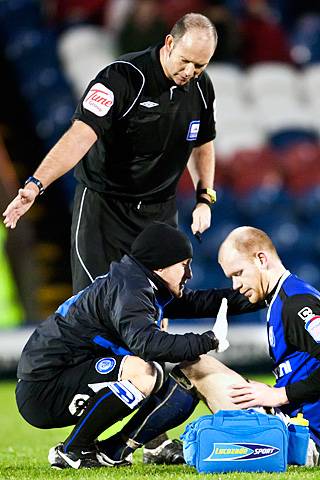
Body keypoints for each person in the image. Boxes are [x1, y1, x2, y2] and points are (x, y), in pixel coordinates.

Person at [15, 222, 261, 470]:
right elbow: (149, 345)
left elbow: (199, 302)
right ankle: (73, 450)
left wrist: (262, 293)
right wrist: (209, 340)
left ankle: (114, 449)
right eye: (184, 266)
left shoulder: (138, 280)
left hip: (60, 375)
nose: (190, 274)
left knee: (165, 377)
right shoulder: (130, 290)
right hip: (45, 388)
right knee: (145, 372)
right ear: (161, 265)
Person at [3, 12, 218, 294]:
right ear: (169, 43)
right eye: (185, 61)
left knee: (157, 313)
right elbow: (80, 136)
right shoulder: (121, 78)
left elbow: (201, 142)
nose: (190, 72)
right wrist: (36, 184)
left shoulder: (201, 88)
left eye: (199, 65)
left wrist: (204, 197)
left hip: (159, 214)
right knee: (96, 309)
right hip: (105, 211)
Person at [217, 226, 320, 459]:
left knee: (197, 368)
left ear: (261, 259)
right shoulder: (281, 297)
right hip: (294, 422)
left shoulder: (295, 304)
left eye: (238, 273)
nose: (235, 285)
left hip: (306, 438)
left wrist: (282, 394)